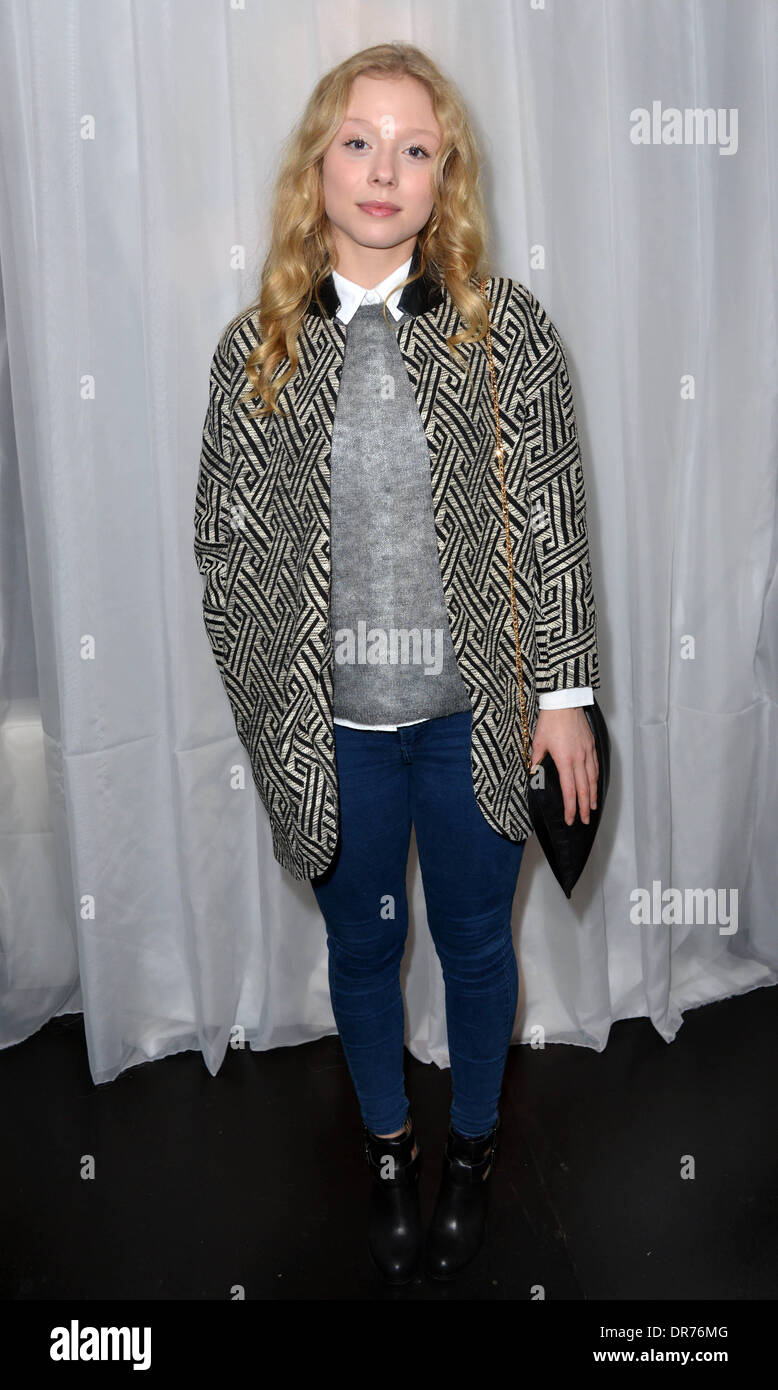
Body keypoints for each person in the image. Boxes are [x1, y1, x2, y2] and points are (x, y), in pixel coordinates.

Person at [194, 41, 601, 1286]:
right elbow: (221, 545)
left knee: (477, 945)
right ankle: (385, 1153)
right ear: (318, 162)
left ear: (445, 176)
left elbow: (552, 511)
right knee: (364, 951)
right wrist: (273, 711)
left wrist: (566, 694)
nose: (384, 169)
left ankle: (471, 1151)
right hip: (334, 735)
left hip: (476, 717)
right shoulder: (254, 345)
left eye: (413, 147)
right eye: (359, 141)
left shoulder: (505, 330)